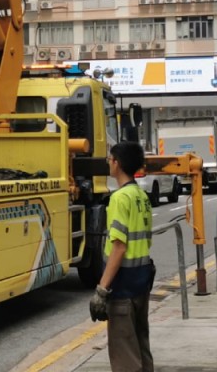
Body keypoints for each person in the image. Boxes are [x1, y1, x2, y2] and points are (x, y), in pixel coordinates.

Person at [89, 141, 155, 372]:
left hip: (123, 287)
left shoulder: (119, 198)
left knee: (125, 356)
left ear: (117, 163)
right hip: (141, 283)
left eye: (110, 158)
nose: (108, 162)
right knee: (141, 347)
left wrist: (101, 290)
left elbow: (118, 247)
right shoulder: (141, 196)